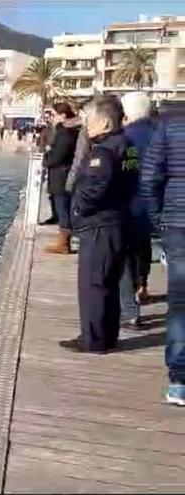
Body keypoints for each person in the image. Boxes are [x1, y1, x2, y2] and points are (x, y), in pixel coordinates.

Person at [61, 96, 128, 354]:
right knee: (109, 284)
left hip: (99, 226)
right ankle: (107, 336)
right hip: (117, 222)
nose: (86, 124)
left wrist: (77, 209)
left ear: (105, 121)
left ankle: (93, 339)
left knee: (94, 284)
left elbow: (95, 189)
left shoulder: (102, 152)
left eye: (89, 119)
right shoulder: (128, 146)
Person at [140, 99, 185, 405]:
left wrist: (159, 221)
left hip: (177, 223)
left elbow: (149, 179)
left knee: (180, 302)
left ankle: (180, 380)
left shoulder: (169, 127)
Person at [121, 92, 156, 307]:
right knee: (144, 245)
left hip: (130, 201)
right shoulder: (161, 134)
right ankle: (143, 283)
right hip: (155, 202)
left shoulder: (125, 138)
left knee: (127, 251)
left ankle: (131, 300)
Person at [44, 102, 81, 254]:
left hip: (61, 176)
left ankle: (64, 243)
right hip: (62, 175)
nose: (51, 118)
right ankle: (64, 240)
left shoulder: (65, 133)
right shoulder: (67, 132)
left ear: (63, 116)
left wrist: (46, 159)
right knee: (63, 207)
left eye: (53, 115)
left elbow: (57, 156)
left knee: (63, 208)